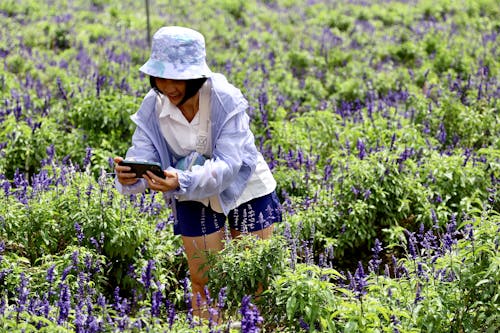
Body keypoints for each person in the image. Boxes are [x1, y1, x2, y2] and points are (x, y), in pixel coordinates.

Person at [113, 26, 282, 318]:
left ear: (196, 75)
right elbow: (143, 150)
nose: (168, 86)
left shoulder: (225, 98)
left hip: (245, 187)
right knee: (203, 279)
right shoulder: (154, 104)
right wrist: (132, 175)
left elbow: (229, 165)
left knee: (256, 280)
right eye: (160, 77)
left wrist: (183, 180)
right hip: (187, 187)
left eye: (178, 78)